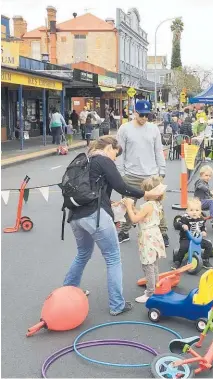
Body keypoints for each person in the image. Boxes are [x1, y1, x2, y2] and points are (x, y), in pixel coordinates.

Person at [62, 136, 164, 316]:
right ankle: (117, 304)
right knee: (113, 258)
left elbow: (95, 190)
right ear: (109, 147)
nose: (115, 158)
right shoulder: (103, 160)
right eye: (115, 154)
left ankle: (68, 291)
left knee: (83, 254)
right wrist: (147, 192)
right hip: (95, 215)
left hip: (75, 216)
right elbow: (122, 186)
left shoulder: (86, 160)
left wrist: (111, 204)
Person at [116, 100, 169, 247]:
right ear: (135, 113)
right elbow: (120, 153)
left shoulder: (153, 129)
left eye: (148, 115)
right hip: (131, 175)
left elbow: (158, 150)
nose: (145, 118)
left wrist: (162, 170)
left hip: (151, 175)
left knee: (157, 205)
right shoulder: (124, 129)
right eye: (142, 115)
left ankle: (163, 233)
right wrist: (121, 173)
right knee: (128, 204)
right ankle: (125, 231)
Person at [121, 176, 166, 303]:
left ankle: (150, 293)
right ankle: (155, 287)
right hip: (155, 235)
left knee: (147, 265)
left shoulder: (147, 205)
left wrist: (129, 207)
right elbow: (142, 216)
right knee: (154, 264)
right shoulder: (156, 204)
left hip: (147, 237)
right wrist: (131, 207)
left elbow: (135, 219)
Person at [173, 198, 213, 270]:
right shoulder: (184, 218)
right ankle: (178, 261)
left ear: (200, 211)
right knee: (184, 248)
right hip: (186, 238)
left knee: (209, 245)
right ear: (187, 211)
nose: (194, 212)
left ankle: (205, 260)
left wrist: (204, 231)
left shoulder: (201, 219)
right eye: (191, 210)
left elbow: (202, 227)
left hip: (197, 238)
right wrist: (182, 225)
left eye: (197, 210)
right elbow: (176, 224)